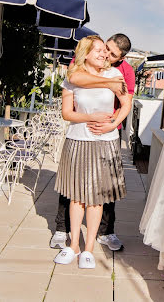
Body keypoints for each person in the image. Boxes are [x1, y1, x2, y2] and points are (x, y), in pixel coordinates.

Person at [52, 35, 132, 268]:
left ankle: (89, 250)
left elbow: (126, 103)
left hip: (105, 141)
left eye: (104, 51)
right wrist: (91, 117)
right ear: (85, 53)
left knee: (96, 199)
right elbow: (67, 113)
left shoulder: (115, 75)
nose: (103, 54)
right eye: (97, 50)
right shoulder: (72, 78)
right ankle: (73, 245)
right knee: (76, 197)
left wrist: (112, 122)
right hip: (77, 140)